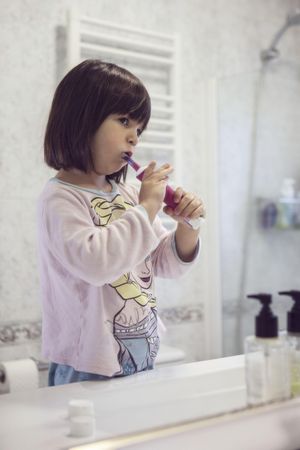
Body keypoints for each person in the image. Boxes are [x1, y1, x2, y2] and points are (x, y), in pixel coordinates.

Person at [37, 59, 205, 386]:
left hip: (141, 349)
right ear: (81, 120)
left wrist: (187, 226)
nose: (134, 138)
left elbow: (164, 263)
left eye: (139, 129)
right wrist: (147, 207)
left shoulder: (128, 192)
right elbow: (97, 264)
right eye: (125, 121)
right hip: (87, 364)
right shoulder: (59, 199)